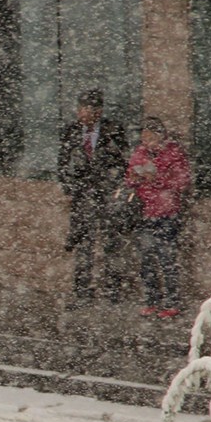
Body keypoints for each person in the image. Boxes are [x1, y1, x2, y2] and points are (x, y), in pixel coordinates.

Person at [57, 88, 130, 307]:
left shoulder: (113, 130)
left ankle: (113, 289)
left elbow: (122, 162)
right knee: (83, 243)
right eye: (81, 109)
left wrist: (113, 189)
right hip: (81, 195)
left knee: (111, 242)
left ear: (98, 111)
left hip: (106, 194)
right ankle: (82, 290)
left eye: (88, 109)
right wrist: (69, 190)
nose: (83, 114)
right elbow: (62, 163)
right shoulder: (70, 131)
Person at [125, 117, 191, 319]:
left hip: (166, 213)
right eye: (144, 137)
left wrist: (158, 179)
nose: (146, 141)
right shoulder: (140, 153)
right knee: (146, 259)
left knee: (166, 258)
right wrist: (135, 178)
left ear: (160, 136)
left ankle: (172, 301)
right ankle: (151, 299)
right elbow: (129, 178)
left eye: (150, 137)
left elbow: (182, 181)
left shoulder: (174, 153)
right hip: (144, 212)